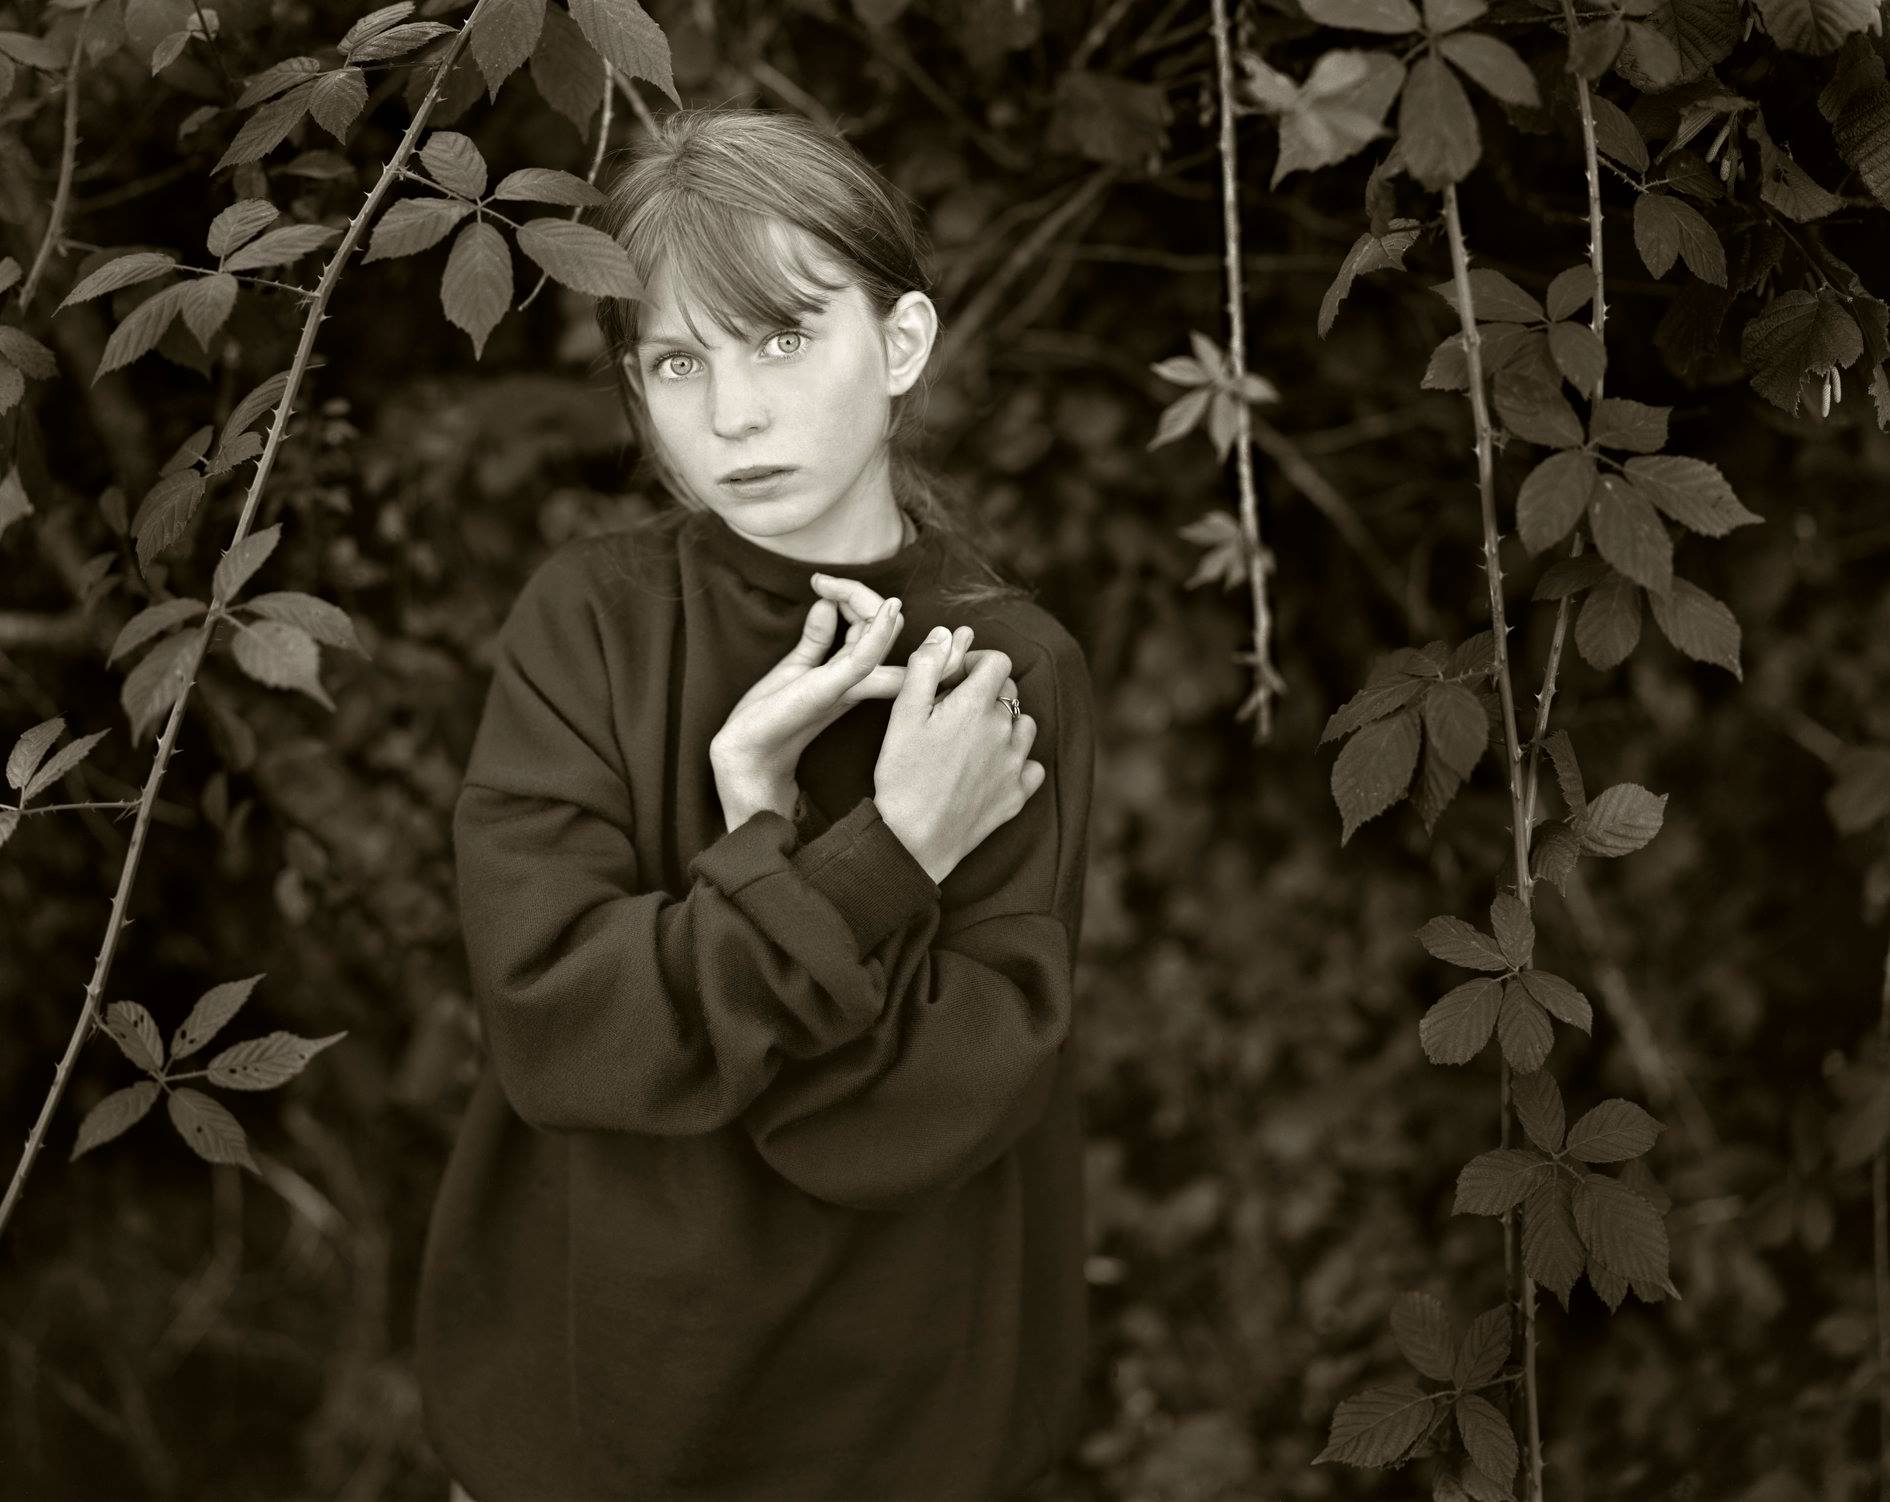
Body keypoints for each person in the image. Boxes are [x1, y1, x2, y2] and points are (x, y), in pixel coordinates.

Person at [414, 105, 1096, 1501]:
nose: (732, 414)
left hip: (899, 1434)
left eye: (783, 337)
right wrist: (875, 852)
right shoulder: (590, 623)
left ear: (898, 344)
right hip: (585, 1417)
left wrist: (732, 913)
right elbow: (561, 1032)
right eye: (676, 360)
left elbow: (912, 1111)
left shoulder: (1002, 676)